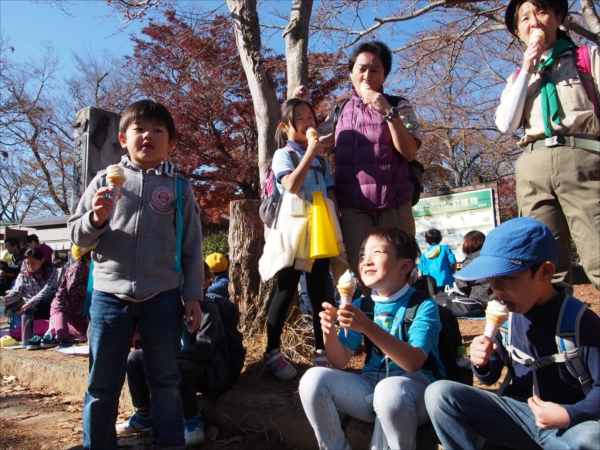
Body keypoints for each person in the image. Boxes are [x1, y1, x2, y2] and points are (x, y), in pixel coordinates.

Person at [68, 99, 204, 449]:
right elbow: (76, 237)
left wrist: (192, 296)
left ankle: (169, 443)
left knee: (166, 380)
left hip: (162, 296)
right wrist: (96, 218)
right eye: (139, 129)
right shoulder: (104, 180)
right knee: (102, 384)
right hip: (109, 295)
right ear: (122, 138)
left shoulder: (178, 188)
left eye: (158, 130)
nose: (148, 136)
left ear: (170, 142)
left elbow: (191, 246)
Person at [424, 217, 600, 449]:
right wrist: (482, 362)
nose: (496, 289)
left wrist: (569, 414)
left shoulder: (580, 322)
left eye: (507, 277)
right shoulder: (507, 319)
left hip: (568, 424)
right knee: (439, 394)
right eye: (491, 279)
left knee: (590, 438)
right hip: (517, 416)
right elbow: (490, 377)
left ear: (545, 272)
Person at [300, 227, 443, 449]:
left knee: (390, 391)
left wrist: (367, 327)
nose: (366, 261)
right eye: (362, 255)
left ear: (405, 265)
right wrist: (328, 331)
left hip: (414, 393)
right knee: (312, 379)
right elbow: (339, 362)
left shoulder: (422, 305)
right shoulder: (361, 305)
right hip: (369, 389)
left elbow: (414, 362)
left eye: (376, 253)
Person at [296, 41, 423, 280]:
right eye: (361, 69)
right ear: (351, 72)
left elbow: (409, 152)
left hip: (395, 205)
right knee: (362, 273)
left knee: (397, 274)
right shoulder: (341, 109)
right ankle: (365, 317)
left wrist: (386, 111)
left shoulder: (399, 105)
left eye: (375, 70)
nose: (367, 76)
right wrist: (300, 107)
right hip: (353, 207)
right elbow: (308, 142)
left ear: (385, 75)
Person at [495, 0, 600, 288]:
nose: (534, 22)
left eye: (541, 12)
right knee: (545, 266)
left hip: (582, 157)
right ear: (518, 32)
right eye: (525, 18)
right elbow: (506, 124)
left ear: (558, 17)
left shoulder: (586, 57)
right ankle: (557, 331)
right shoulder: (517, 77)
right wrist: (528, 68)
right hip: (533, 165)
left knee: (597, 254)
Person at [117, 262, 243, 447]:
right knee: (135, 359)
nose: (183, 286)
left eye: (189, 282)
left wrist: (169, 360)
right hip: (177, 361)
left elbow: (204, 349)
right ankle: (145, 415)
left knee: (180, 367)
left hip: (208, 369)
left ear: (205, 284)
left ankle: (191, 419)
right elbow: (164, 342)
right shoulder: (172, 308)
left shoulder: (208, 309)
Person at [262, 97, 337, 380]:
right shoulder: (285, 155)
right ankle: (271, 350)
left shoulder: (322, 161)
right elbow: (291, 185)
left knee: (320, 292)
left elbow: (331, 196)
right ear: (285, 126)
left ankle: (321, 352)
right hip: (293, 231)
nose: (308, 123)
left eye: (311, 117)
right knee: (286, 289)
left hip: (318, 231)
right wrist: (310, 153)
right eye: (300, 119)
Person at [48, 245, 92, 344]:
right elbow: (72, 288)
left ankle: (63, 325)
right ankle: (52, 326)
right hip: (62, 307)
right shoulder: (78, 267)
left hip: (74, 310)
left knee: (85, 334)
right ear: (85, 255)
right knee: (63, 337)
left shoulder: (87, 268)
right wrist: (91, 289)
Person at [0, 247, 58, 321]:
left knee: (53, 293)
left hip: (47, 305)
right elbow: (16, 292)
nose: (30, 266)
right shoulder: (23, 275)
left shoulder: (51, 271)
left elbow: (48, 288)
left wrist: (30, 303)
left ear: (42, 260)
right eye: (27, 263)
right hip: (31, 309)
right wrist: (4, 299)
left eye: (33, 263)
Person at [454, 230, 495, 305]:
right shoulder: (493, 257)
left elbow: (462, 284)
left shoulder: (470, 261)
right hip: (497, 300)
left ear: (468, 243)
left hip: (478, 302)